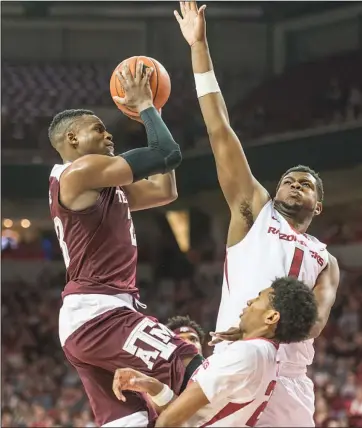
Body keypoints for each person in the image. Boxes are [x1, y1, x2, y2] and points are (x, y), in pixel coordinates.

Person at [174, 2, 340, 427]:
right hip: (240, 360)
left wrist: (263, 329)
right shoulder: (253, 212)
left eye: (307, 184)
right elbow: (220, 130)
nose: (296, 183)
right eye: (290, 178)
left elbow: (315, 323)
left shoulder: (326, 259)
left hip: (290, 377)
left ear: (317, 206)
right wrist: (199, 47)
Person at [49, 60, 202, 427]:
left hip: (92, 317)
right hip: (99, 315)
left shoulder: (101, 185)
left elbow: (165, 189)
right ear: (72, 140)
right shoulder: (80, 173)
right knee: (190, 364)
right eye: (98, 129)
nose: (108, 136)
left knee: (130, 421)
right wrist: (147, 107)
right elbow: (167, 153)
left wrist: (157, 112)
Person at [112, 277, 318, 427]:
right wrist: (153, 386)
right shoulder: (266, 355)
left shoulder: (247, 354)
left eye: (258, 299)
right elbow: (192, 417)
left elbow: (169, 422)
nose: (249, 302)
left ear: (271, 317)